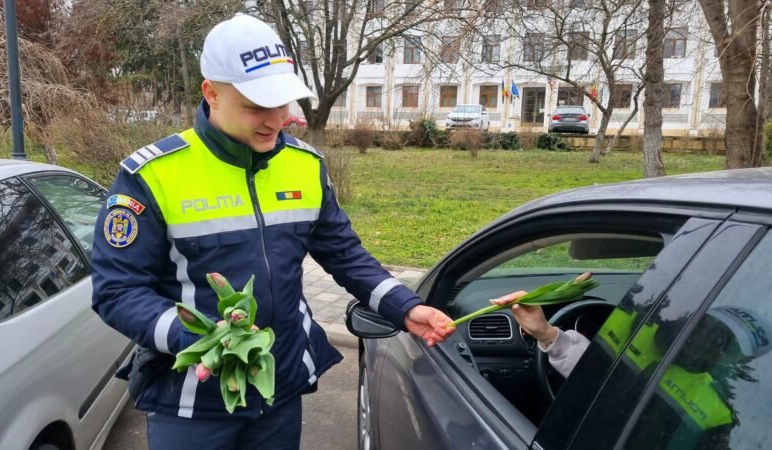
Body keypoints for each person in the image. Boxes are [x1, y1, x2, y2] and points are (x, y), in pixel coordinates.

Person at [91, 13, 455, 450]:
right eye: (256, 106)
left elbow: (345, 254)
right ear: (211, 93)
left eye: (282, 103)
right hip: (191, 402)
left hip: (278, 392)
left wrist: (404, 306)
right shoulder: (151, 174)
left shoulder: (305, 165)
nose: (275, 119)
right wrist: (199, 339)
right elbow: (117, 290)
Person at [492, 293, 771, 448]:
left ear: (727, 357)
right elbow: (591, 370)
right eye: (707, 326)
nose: (703, 339)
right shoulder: (632, 324)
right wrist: (545, 333)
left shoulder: (718, 413)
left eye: (721, 342)